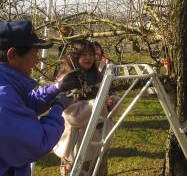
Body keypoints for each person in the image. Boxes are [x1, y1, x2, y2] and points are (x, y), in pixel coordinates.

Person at [0, 20, 81, 176]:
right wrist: (58, 107)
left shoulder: (7, 88)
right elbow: (39, 141)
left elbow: (24, 104)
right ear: (12, 55)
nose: (37, 61)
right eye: (34, 54)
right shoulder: (3, 101)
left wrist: (56, 88)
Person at [53, 39, 119, 176]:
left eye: (91, 54)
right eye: (83, 54)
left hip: (99, 142)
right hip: (76, 146)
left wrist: (113, 102)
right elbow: (71, 115)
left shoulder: (99, 76)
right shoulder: (65, 80)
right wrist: (98, 104)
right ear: (73, 57)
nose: (88, 58)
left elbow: (111, 95)